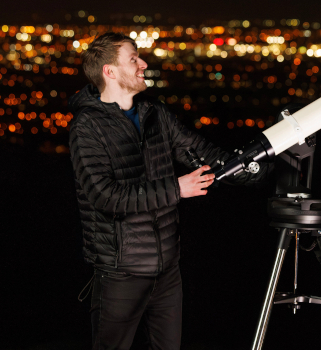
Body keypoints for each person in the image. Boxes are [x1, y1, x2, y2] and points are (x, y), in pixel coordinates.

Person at [69, 32, 269, 349]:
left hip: (167, 271)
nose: (143, 64)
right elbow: (105, 196)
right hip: (121, 275)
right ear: (110, 71)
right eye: (133, 59)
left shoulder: (155, 114)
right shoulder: (87, 127)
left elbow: (203, 152)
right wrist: (177, 188)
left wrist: (256, 163)